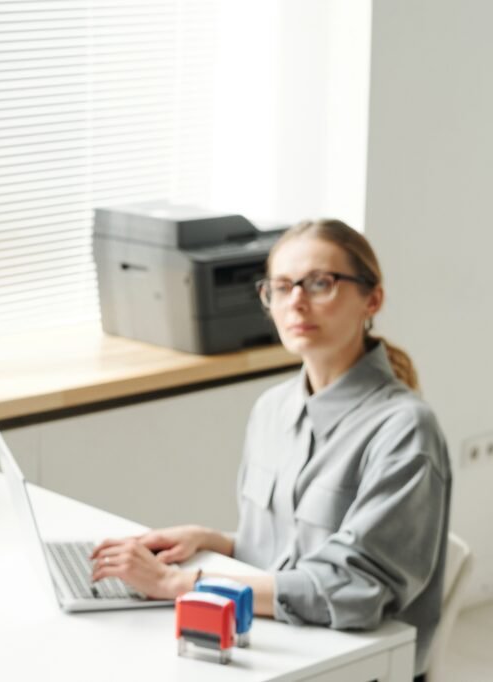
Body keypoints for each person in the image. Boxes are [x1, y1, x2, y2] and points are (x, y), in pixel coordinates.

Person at [91, 219, 451, 679]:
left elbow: (352, 590)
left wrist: (182, 584)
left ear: (372, 299)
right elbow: (284, 555)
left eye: (320, 283)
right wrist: (213, 540)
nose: (296, 301)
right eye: (281, 287)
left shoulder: (405, 430)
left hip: (355, 663)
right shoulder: (272, 410)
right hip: (274, 643)